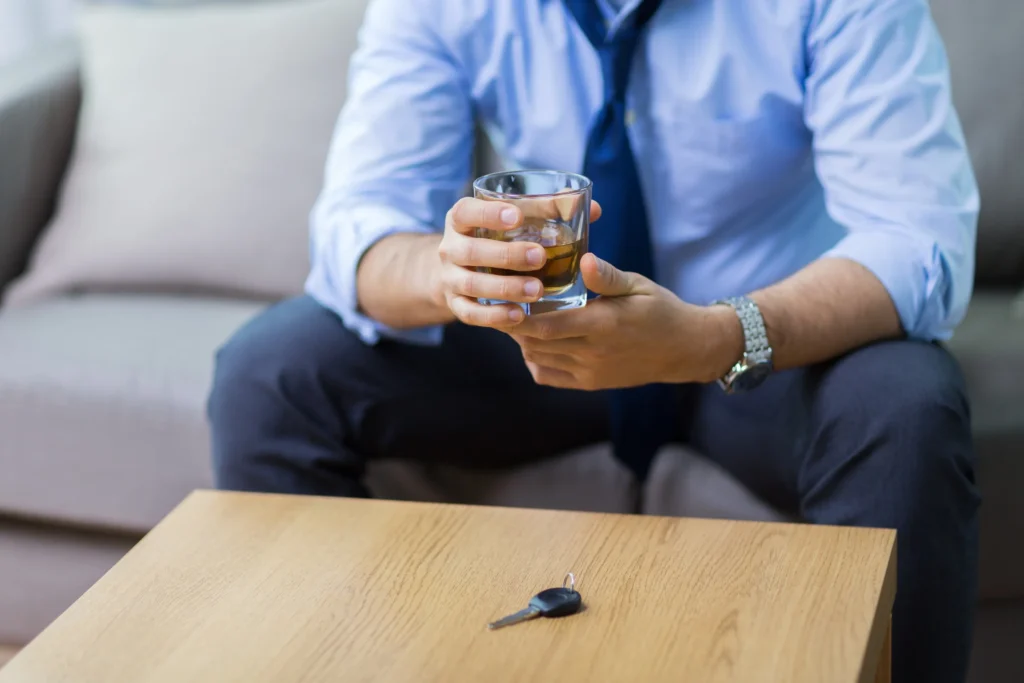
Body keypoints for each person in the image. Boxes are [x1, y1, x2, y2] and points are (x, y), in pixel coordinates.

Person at [207, 0, 980, 680]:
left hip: (761, 344)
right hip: (547, 339)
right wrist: (450, 273)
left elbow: (917, 238)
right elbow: (359, 226)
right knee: (269, 373)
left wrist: (713, 335)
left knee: (906, 409)